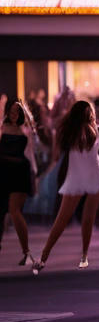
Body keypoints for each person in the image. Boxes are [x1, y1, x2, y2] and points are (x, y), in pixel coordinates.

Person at [33, 101, 99, 273]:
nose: (92, 115)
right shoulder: (82, 131)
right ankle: (62, 256)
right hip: (83, 176)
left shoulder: (84, 130)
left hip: (90, 176)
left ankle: (69, 257)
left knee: (78, 219)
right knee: (73, 219)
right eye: (89, 112)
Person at [1, 100, 38, 266]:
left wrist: (34, 177)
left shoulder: (26, 131)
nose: (14, 114)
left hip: (19, 172)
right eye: (12, 111)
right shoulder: (2, 128)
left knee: (14, 211)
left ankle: (27, 252)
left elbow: (31, 155)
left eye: (17, 111)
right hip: (3, 171)